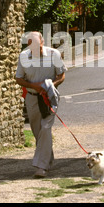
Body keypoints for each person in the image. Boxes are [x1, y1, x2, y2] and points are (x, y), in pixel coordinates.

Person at [15, 32, 67, 178]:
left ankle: (41, 167)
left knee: (45, 128)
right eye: (30, 44)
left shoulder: (54, 54)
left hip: (49, 97)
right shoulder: (23, 56)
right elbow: (18, 78)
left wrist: (50, 86)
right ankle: (47, 158)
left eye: (36, 44)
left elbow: (61, 75)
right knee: (38, 131)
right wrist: (34, 86)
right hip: (31, 97)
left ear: (42, 42)